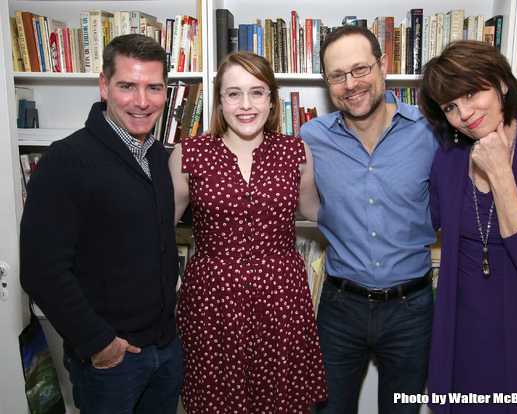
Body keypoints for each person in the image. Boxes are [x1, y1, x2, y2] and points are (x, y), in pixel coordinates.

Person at [299, 25, 517, 414]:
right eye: (337, 75)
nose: (350, 84)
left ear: (382, 65)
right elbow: (307, 204)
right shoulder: (310, 136)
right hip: (339, 306)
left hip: (413, 309)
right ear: (326, 81)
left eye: (360, 69)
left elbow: (487, 128)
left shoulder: (434, 130)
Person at [20, 34, 183, 414]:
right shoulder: (67, 160)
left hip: (166, 349)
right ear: (104, 85)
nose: (142, 101)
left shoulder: (156, 154)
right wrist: (98, 343)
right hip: (113, 361)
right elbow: (42, 271)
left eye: (154, 88)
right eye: (127, 86)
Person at [418, 40, 517, 413]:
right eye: (450, 107)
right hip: (461, 320)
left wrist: (499, 169)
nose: (465, 114)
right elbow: (426, 221)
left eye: (472, 93)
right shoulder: (450, 154)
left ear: (502, 84)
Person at [169, 51, 327, 413]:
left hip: (281, 297)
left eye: (257, 92)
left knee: (279, 401)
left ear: (272, 100)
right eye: (233, 93)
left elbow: (315, 211)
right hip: (212, 300)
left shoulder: (295, 152)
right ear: (220, 100)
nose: (246, 104)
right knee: (214, 399)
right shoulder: (188, 154)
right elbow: (160, 229)